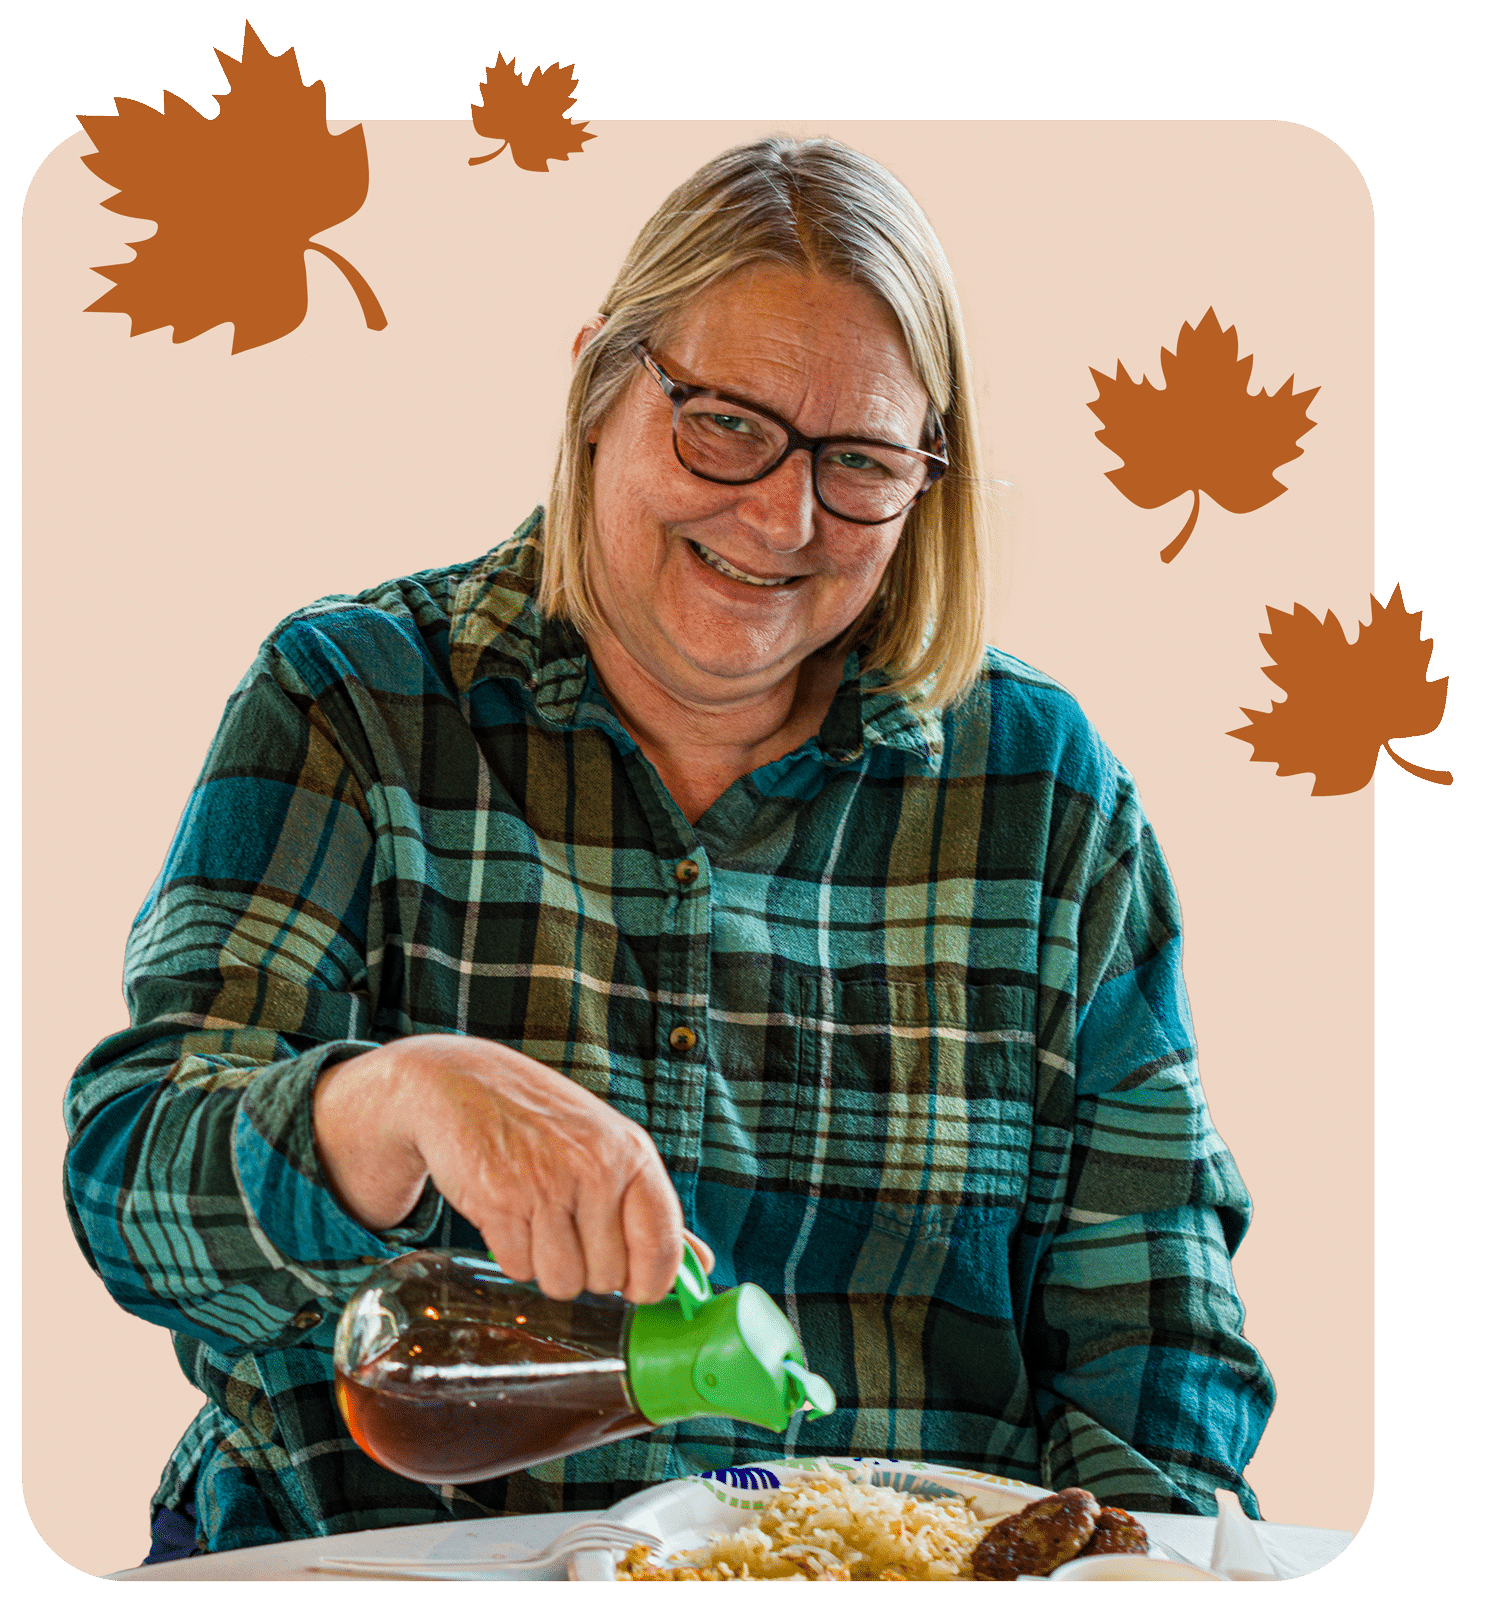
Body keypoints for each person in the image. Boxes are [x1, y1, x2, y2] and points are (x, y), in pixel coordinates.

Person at [65, 136, 1273, 1560]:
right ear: (597, 387)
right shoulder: (356, 701)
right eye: (724, 423)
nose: (782, 515)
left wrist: (1134, 1557)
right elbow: (130, 1189)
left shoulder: (1047, 795)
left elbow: (1158, 1345)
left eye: (862, 461)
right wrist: (390, 1099)